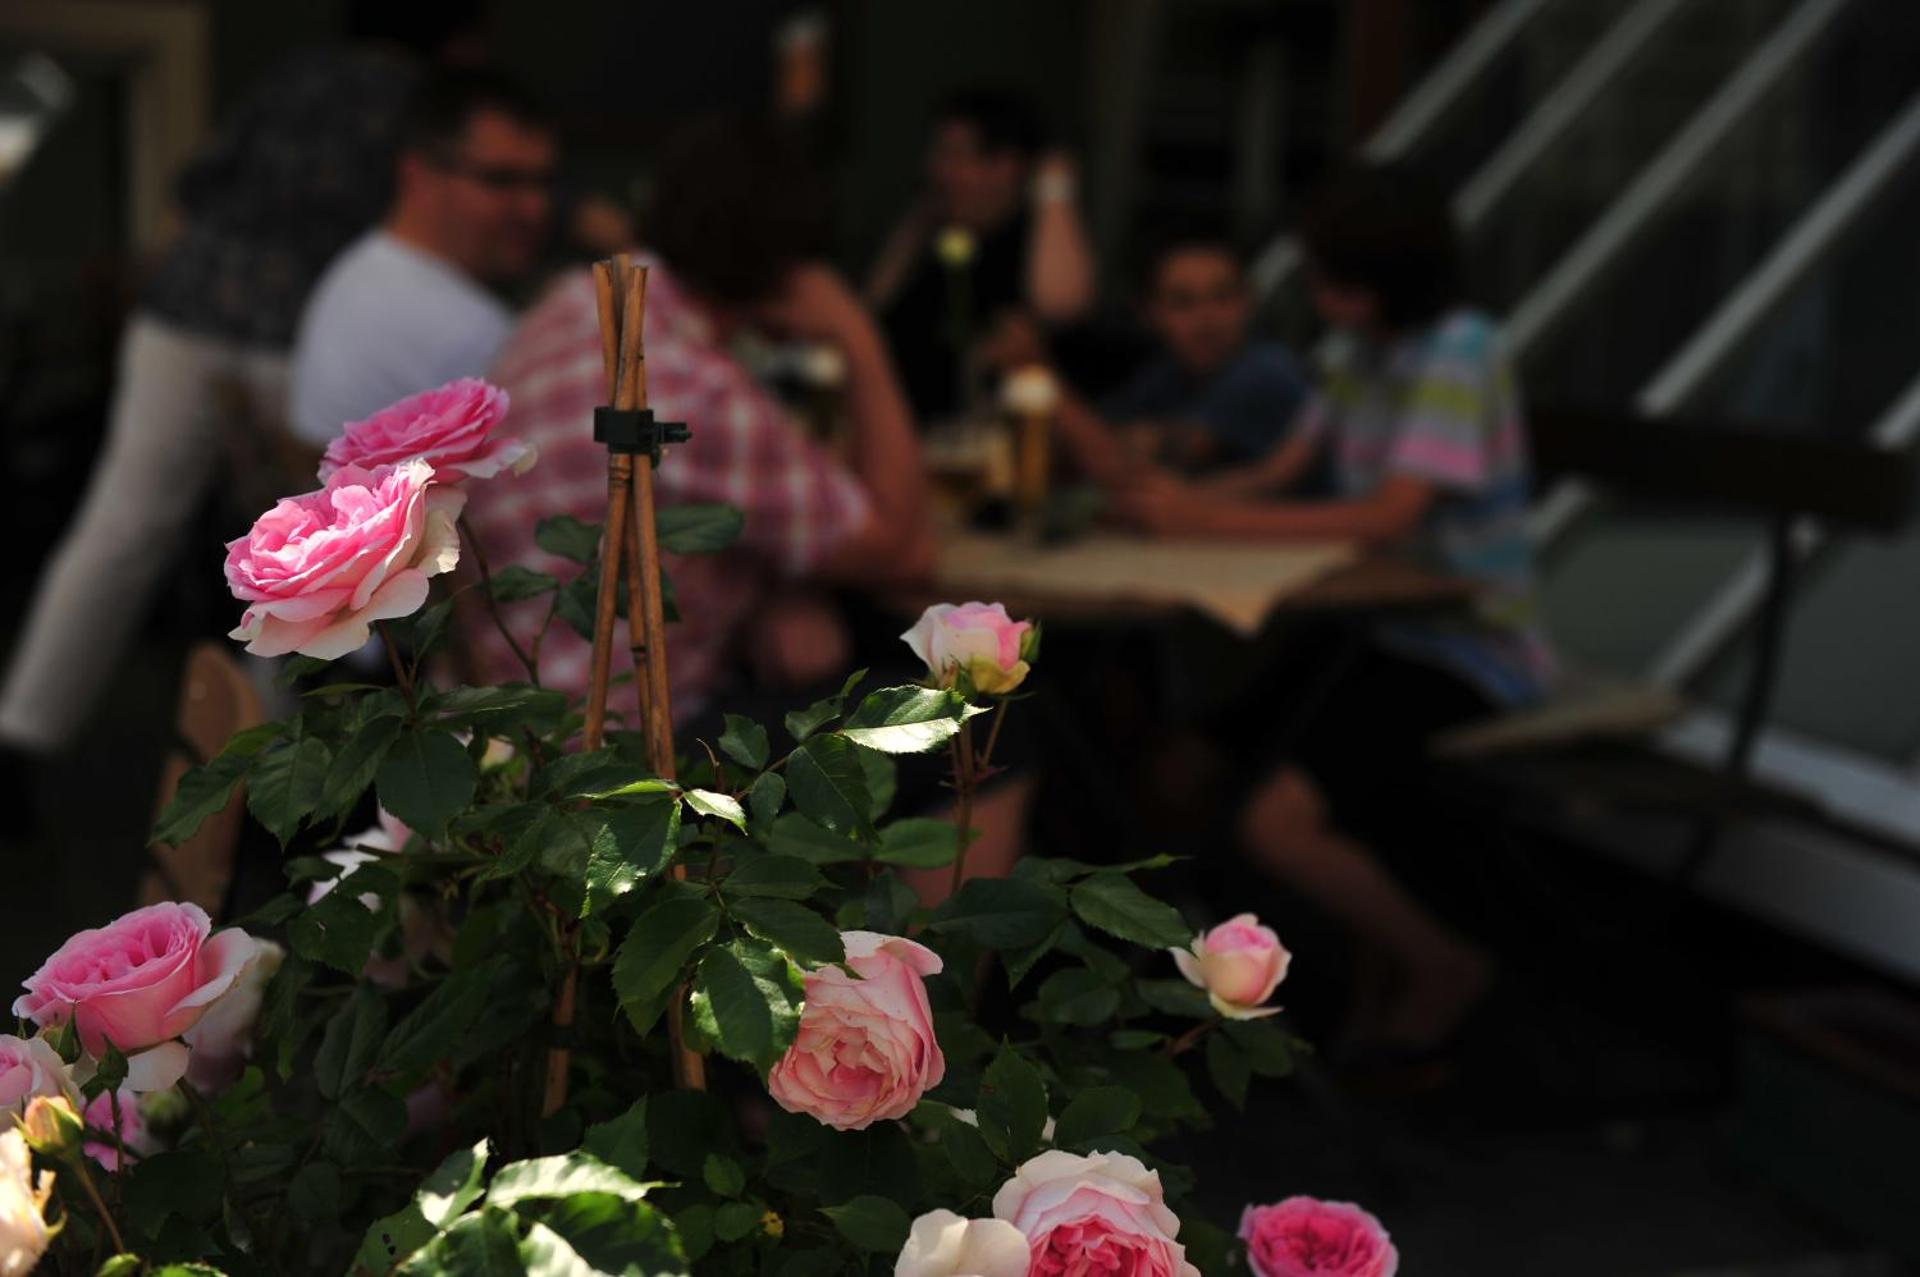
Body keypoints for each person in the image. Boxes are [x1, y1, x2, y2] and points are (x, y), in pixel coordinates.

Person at [1113, 164, 1554, 1060]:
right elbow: (1281, 470)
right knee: (1187, 760)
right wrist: (1174, 503)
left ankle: (1437, 963)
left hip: (1467, 644)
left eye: (1334, 279)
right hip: (1368, 629)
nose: (1318, 296)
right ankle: (1222, 983)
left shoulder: (1459, 351)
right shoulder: (1359, 351)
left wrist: (1206, 515)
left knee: (1275, 820)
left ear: (1387, 279)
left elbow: (1393, 512)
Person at [0, 2, 483, 765]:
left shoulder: (296, 74)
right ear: (460, 40)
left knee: (122, 521)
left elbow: (190, 195)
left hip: (186, 307)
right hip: (299, 322)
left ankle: (22, 732)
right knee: (311, 541)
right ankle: (265, 763)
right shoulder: (429, 105)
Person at [462, 116, 934, 726]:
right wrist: (859, 337)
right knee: (992, 731)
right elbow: (905, 551)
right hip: (609, 755)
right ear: (791, 269)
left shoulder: (581, 300)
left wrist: (778, 590)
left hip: (500, 714)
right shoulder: (701, 391)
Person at [288, 68, 554, 447]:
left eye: (541, 182)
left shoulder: (363, 266)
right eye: (500, 180)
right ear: (418, 177)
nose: (534, 208)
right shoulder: (465, 330)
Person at [988, 228, 1311, 480]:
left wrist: (1037, 374)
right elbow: (1085, 447)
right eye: (1183, 302)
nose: (1207, 318)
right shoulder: (1169, 374)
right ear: (1148, 313)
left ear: (1248, 302)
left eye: (1223, 297)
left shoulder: (1266, 372)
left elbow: (1120, 466)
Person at [866, 89, 1095, 421]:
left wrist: (1054, 185)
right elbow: (874, 308)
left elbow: (1062, 304)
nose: (938, 170)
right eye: (938, 156)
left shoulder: (1034, 241)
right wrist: (922, 215)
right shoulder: (939, 237)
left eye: (955, 156)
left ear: (1005, 166)